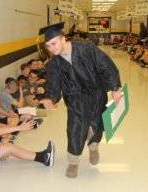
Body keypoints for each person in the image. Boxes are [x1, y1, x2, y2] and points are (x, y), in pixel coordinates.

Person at [38, 22, 122, 178]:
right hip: (75, 99)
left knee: (97, 124)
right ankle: (73, 161)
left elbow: (105, 65)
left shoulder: (86, 48)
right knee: (75, 128)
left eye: (54, 43)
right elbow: (53, 85)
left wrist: (115, 88)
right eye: (48, 46)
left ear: (63, 38)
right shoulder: (54, 64)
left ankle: (94, 146)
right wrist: (50, 98)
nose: (51, 48)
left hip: (96, 94)